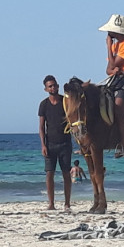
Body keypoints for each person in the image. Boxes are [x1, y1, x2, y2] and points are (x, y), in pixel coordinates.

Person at [98, 14, 124, 158]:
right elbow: (109, 70)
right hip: (114, 82)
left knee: (118, 107)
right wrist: (113, 67)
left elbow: (114, 64)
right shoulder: (117, 45)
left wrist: (108, 47)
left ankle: (122, 144)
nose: (109, 34)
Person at [38, 75, 72, 210]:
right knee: (49, 174)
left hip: (65, 143)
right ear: (46, 89)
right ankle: (51, 204)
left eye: (55, 85)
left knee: (66, 174)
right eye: (50, 86)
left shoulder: (65, 101)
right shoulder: (44, 104)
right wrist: (43, 145)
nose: (53, 88)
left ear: (58, 86)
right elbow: (41, 127)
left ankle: (67, 203)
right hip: (50, 144)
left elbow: (73, 119)